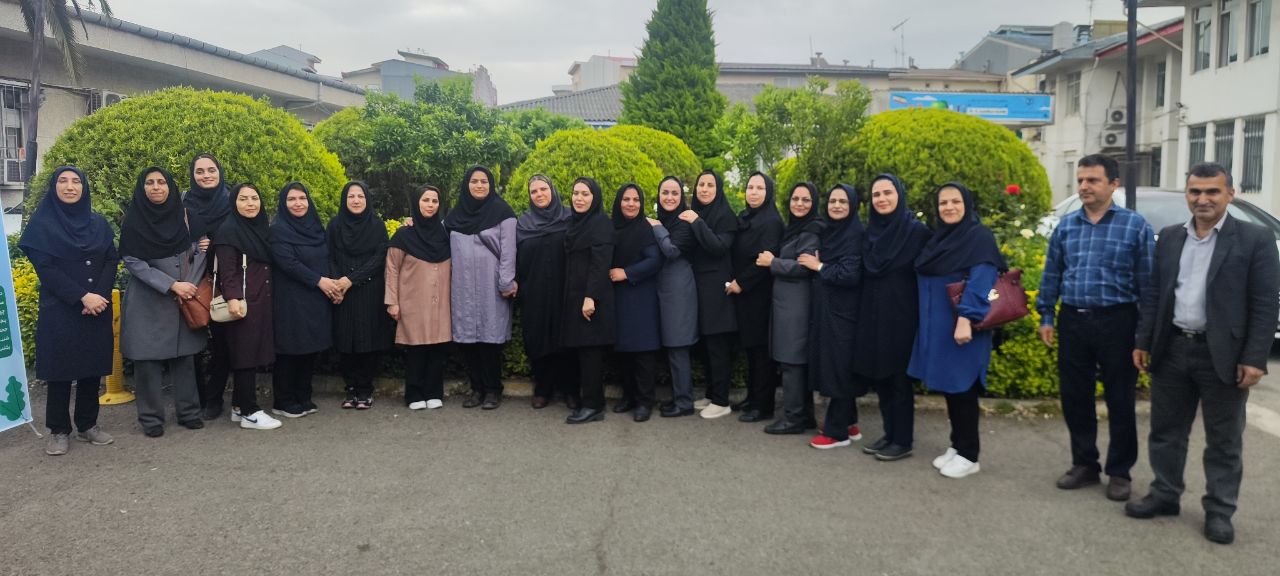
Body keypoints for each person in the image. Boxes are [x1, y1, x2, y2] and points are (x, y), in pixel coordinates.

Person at [1126, 163, 1280, 545]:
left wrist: (1254, 358)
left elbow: (1265, 304)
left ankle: (1220, 511)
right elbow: (1155, 294)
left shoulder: (1255, 239)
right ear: (1187, 195)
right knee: (1166, 432)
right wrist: (1143, 341)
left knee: (1224, 439)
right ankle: (1165, 495)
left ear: (1230, 194)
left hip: (1223, 355)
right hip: (1173, 348)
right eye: (1195, 191)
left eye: (1212, 191)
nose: (1203, 199)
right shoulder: (1171, 237)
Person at [1037, 154, 1154, 500]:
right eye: (1081, 180)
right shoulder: (1067, 226)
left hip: (1118, 321)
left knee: (1120, 399)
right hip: (1074, 320)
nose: (1084, 187)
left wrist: (1144, 335)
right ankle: (1084, 463)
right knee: (1075, 397)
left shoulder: (1134, 226)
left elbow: (1148, 285)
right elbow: (1052, 273)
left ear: (1113, 184)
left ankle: (1119, 471)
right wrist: (1047, 315)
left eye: (1093, 180)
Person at [20, 166, 118, 455]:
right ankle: (59, 430)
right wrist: (82, 297)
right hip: (61, 308)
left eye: (76, 181)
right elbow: (46, 269)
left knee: (91, 367)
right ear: (54, 187)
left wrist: (99, 296)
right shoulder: (42, 225)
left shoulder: (98, 223)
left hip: (97, 306)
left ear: (84, 188)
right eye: (63, 181)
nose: (70, 186)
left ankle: (88, 424)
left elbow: (110, 259)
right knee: (60, 370)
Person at [909, 183, 1003, 478]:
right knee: (951, 386)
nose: (949, 207)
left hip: (963, 326)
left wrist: (966, 318)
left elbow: (982, 278)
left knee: (964, 387)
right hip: (940, 325)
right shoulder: (940, 238)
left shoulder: (978, 237)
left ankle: (969, 455)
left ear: (967, 204)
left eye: (955, 201)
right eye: (943, 203)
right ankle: (957, 444)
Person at [119, 167, 208, 438]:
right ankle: (151, 419)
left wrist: (188, 285)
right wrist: (171, 285)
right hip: (149, 299)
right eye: (150, 182)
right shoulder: (134, 221)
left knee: (185, 359)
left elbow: (201, 249)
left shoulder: (186, 216)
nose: (156, 187)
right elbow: (132, 261)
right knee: (147, 363)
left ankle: (189, 413)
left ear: (170, 187)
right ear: (142, 187)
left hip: (184, 298)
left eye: (161, 182)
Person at [853, 174, 931, 461]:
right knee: (881, 377)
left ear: (899, 195)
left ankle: (903, 439)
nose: (882, 199)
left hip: (902, 316)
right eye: (876, 195)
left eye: (888, 193)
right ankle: (889, 434)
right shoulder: (870, 232)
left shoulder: (916, 232)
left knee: (899, 379)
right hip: (873, 314)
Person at [445, 166, 517, 410]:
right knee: (467, 341)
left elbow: (509, 252)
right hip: (462, 287)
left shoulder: (503, 213)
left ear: (491, 184)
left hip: (491, 287)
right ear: (466, 185)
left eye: (484, 181)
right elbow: (433, 233)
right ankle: (476, 389)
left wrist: (505, 282)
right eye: (474, 181)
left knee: (490, 341)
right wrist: (412, 223)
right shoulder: (455, 216)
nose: (479, 185)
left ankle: (493, 390)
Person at [210, 184, 281, 430]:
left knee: (251, 351)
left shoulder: (260, 229)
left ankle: (239, 407)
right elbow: (227, 270)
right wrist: (232, 299)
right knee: (245, 355)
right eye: (243, 199)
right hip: (241, 301)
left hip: (261, 298)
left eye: (254, 198)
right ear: (234, 203)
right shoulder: (228, 231)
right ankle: (250, 411)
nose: (250, 203)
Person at [803, 184, 866, 449]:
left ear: (852, 205)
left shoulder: (855, 235)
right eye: (832, 201)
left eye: (843, 201)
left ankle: (836, 432)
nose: (837, 205)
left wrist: (818, 265)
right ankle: (849, 423)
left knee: (839, 368)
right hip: (830, 311)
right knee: (836, 365)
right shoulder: (833, 232)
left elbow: (849, 274)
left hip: (844, 314)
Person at [758, 182, 822, 434]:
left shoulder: (810, 231)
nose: (799, 204)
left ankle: (793, 418)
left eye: (806, 200)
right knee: (793, 361)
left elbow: (805, 267)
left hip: (797, 307)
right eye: (795, 199)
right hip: (788, 306)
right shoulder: (796, 229)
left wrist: (773, 262)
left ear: (813, 203)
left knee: (791, 362)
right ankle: (804, 416)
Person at [270, 182, 335, 416]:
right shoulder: (278, 230)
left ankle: (303, 395)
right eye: (291, 199)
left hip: (315, 298)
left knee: (310, 348)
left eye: (302, 198)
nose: (298, 203)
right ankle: (283, 400)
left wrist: (332, 284)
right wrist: (319, 281)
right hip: (290, 299)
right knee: (289, 349)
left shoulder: (316, 228)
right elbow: (289, 263)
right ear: (283, 203)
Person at [386, 185, 453, 410]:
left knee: (437, 347)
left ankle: (434, 392)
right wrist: (392, 301)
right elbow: (392, 269)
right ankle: (414, 394)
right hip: (412, 301)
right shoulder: (403, 235)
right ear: (416, 203)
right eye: (425, 200)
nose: (430, 205)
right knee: (416, 348)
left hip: (441, 301)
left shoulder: (445, 234)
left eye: (434, 201)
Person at [328, 181, 394, 409]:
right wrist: (338, 284)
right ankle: (350, 389)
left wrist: (351, 280)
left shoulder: (376, 226)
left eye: (360, 196)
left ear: (367, 200)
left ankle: (365, 390)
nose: (356, 200)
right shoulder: (335, 225)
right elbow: (330, 256)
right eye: (351, 196)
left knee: (368, 340)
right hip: (342, 292)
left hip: (369, 290)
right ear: (344, 200)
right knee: (345, 341)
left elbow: (379, 258)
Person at [516, 175, 579, 410]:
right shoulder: (523, 224)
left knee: (567, 341)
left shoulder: (570, 218)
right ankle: (543, 390)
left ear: (552, 190)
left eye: (543, 189)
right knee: (538, 340)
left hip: (566, 290)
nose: (539, 194)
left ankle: (570, 390)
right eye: (534, 191)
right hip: (535, 292)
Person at [683, 170, 739, 419]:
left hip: (717, 289)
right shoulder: (699, 213)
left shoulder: (725, 216)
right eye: (701, 185)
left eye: (710, 185)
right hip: (699, 288)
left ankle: (721, 400)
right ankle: (711, 393)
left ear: (718, 189)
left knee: (717, 346)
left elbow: (718, 247)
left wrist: (697, 222)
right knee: (705, 346)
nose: (704, 189)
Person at [729, 172, 784, 423]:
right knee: (750, 349)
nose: (753, 192)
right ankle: (752, 397)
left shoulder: (771, 221)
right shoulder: (746, 217)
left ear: (768, 192)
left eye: (759, 188)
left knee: (761, 352)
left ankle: (763, 406)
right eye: (750, 187)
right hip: (745, 296)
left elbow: (764, 260)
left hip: (760, 294)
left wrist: (741, 282)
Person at [561, 177, 616, 424]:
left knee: (590, 353)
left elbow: (600, 264)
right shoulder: (574, 222)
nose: (579, 198)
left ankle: (593, 406)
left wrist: (590, 297)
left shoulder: (601, 223)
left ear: (595, 198)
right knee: (581, 352)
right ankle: (592, 402)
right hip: (575, 296)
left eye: (585, 194)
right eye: (576, 193)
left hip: (592, 299)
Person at [183, 153, 233, 419]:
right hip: (192, 282)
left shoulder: (232, 201)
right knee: (192, 342)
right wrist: (193, 246)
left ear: (219, 172)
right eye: (200, 171)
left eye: (211, 170)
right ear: (192, 175)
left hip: (225, 280)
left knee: (222, 344)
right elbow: (171, 240)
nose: (206, 175)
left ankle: (214, 398)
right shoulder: (183, 203)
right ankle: (197, 397)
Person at [609, 183, 663, 422]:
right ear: (618, 202)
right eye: (626, 199)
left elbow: (654, 261)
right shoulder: (611, 227)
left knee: (643, 352)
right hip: (618, 297)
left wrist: (627, 273)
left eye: (636, 200)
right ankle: (629, 397)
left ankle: (645, 402)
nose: (631, 204)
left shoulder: (645, 229)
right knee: (623, 351)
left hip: (641, 297)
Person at [649, 176, 699, 418]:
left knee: (678, 346)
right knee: (671, 347)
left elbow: (671, 251)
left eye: (674, 193)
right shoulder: (665, 220)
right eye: (665, 193)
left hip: (678, 290)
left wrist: (657, 227)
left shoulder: (684, 222)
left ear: (682, 197)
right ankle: (679, 397)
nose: (669, 197)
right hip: (664, 289)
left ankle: (684, 402)